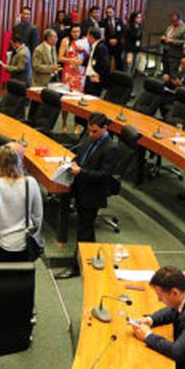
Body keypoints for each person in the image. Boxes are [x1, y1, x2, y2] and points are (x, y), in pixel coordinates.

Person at [0, 143, 42, 262]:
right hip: (24, 243)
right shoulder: (31, 182)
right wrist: (34, 234)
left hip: (0, 242)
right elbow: (38, 215)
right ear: (19, 161)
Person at [69, 113, 119, 246]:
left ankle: (82, 257)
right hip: (81, 187)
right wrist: (73, 162)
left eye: (94, 131)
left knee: (85, 229)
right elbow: (80, 155)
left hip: (93, 193)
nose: (91, 134)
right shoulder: (90, 138)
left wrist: (81, 171)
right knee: (83, 227)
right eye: (89, 130)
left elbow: (104, 175)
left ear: (105, 128)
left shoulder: (111, 148)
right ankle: (84, 255)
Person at [58, 25, 87, 133]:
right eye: (73, 31)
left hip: (80, 74)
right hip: (69, 74)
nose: (76, 33)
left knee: (78, 100)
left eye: (77, 31)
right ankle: (64, 123)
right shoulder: (66, 41)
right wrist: (71, 60)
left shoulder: (84, 41)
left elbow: (89, 56)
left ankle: (76, 124)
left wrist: (84, 51)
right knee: (66, 99)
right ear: (70, 32)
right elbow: (60, 58)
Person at [83, 27, 110, 96]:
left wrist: (99, 76)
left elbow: (105, 65)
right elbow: (91, 60)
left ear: (91, 36)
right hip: (89, 77)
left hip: (94, 78)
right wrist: (82, 62)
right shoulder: (94, 46)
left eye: (87, 35)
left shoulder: (101, 48)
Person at [101, 5, 124, 70]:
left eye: (110, 12)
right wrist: (109, 40)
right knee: (107, 61)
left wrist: (116, 40)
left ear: (114, 12)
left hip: (117, 44)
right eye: (107, 12)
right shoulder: (103, 22)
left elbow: (122, 32)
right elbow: (103, 34)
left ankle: (119, 74)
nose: (109, 14)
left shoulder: (119, 21)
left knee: (119, 61)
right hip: (108, 45)